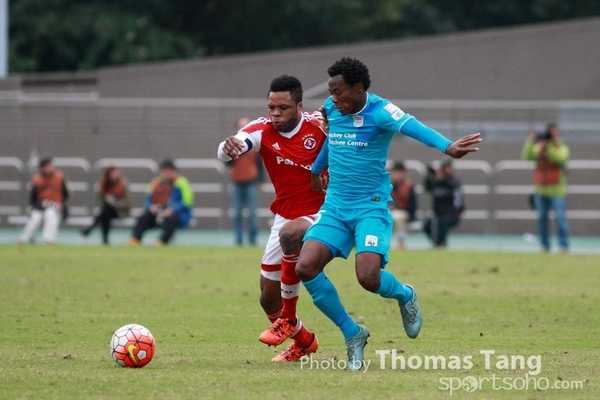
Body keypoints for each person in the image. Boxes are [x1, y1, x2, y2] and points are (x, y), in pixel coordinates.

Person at [295, 57, 482, 371]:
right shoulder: (332, 108)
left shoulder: (381, 111)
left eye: (339, 92)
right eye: (331, 92)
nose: (333, 98)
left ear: (358, 87)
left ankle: (405, 295)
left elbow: (414, 127)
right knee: (306, 267)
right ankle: (352, 333)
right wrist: (316, 170)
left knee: (368, 278)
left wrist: (447, 146)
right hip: (335, 207)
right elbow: (332, 139)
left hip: (369, 207)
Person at [217, 75, 327, 362]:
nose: (276, 113)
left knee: (290, 235)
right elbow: (233, 146)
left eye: (283, 108)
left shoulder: (320, 125)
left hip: (325, 211)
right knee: (267, 296)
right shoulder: (262, 129)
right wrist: (229, 148)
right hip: (286, 214)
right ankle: (304, 341)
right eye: (271, 107)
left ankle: (291, 318)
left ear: (299, 106)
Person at [521, 123, 570, 252]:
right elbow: (527, 156)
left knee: (560, 218)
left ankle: (563, 245)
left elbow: (560, 158)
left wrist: (549, 147)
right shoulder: (540, 147)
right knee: (542, 218)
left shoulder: (561, 147)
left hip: (557, 190)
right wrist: (531, 141)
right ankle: (544, 245)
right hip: (541, 189)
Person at [127, 159, 194, 246]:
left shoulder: (182, 182)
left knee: (172, 220)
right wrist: (151, 207)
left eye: (169, 170)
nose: (167, 173)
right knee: (143, 217)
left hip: (178, 214)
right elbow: (148, 198)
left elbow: (187, 202)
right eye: (164, 170)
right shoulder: (156, 182)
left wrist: (172, 209)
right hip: (159, 211)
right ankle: (135, 239)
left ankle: (162, 241)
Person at [18, 157, 70, 245]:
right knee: (35, 218)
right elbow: (33, 196)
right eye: (48, 166)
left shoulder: (59, 177)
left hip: (55, 205)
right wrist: (33, 207)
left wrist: (63, 205)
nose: (50, 168)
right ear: (42, 167)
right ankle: (24, 238)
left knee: (50, 215)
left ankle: (48, 240)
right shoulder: (37, 179)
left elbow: (66, 194)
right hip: (40, 205)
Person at [227, 117, 261, 246]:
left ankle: (252, 239)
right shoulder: (232, 144)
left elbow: (259, 163)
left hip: (251, 181)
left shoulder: (254, 144)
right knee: (236, 213)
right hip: (237, 181)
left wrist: (260, 180)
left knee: (252, 213)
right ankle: (239, 239)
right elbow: (227, 162)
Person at [81, 165, 131, 245]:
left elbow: (127, 203)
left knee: (105, 212)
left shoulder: (123, 184)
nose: (116, 175)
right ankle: (104, 239)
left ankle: (91, 230)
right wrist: (107, 201)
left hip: (120, 212)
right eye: (113, 173)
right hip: (107, 211)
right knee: (105, 213)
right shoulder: (103, 186)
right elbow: (99, 202)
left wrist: (115, 204)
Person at [423, 158, 464, 248]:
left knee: (442, 223)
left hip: (451, 213)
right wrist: (430, 174)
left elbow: (455, 192)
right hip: (437, 213)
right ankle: (438, 244)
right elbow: (427, 187)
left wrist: (443, 179)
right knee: (427, 226)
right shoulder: (437, 181)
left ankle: (442, 244)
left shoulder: (454, 181)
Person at [389, 161, 417, 249]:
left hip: (404, 212)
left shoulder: (408, 185)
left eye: (398, 172)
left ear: (403, 173)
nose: (396, 175)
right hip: (389, 211)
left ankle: (401, 243)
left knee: (398, 217)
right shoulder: (389, 185)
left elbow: (413, 205)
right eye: (394, 172)